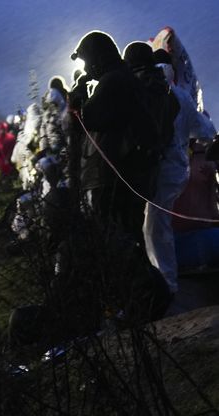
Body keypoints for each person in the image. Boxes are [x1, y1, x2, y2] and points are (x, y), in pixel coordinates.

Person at [70, 30, 155, 242]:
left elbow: (83, 120)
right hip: (128, 173)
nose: (86, 68)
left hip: (114, 176)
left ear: (98, 58)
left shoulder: (113, 81)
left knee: (120, 240)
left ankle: (144, 276)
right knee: (130, 236)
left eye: (87, 62)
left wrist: (78, 95)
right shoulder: (124, 77)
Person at [144, 49, 216, 292]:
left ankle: (166, 287)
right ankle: (166, 283)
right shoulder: (181, 98)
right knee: (158, 230)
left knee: (155, 231)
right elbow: (205, 131)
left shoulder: (146, 96)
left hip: (159, 175)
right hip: (177, 172)